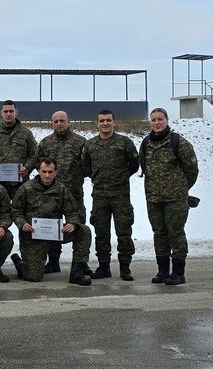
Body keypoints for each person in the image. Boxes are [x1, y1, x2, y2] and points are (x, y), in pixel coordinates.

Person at [10, 158, 93, 286]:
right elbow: (16, 211)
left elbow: (72, 211)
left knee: (83, 230)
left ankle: (77, 271)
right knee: (34, 276)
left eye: (50, 172)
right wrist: (22, 223)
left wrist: (72, 223)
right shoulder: (26, 188)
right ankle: (19, 263)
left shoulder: (61, 189)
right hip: (33, 234)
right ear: (38, 171)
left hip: (55, 233)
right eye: (44, 172)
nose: (47, 175)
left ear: (56, 172)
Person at [140, 108, 198, 285]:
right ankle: (163, 272)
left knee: (176, 233)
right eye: (153, 120)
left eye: (160, 119)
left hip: (175, 199)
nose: (157, 123)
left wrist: (181, 188)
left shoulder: (178, 142)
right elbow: (144, 167)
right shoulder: (146, 143)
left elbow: (192, 170)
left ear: (166, 120)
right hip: (154, 199)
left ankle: (178, 273)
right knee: (159, 234)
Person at [82, 110, 139, 281]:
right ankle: (103, 267)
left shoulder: (124, 142)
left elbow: (134, 164)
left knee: (124, 232)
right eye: (102, 120)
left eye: (108, 120)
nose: (105, 123)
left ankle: (125, 268)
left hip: (121, 195)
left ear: (114, 122)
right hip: (100, 196)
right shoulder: (90, 145)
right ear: (97, 123)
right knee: (101, 233)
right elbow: (86, 167)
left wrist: (120, 177)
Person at [34, 111, 90, 275]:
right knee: (52, 226)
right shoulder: (46, 143)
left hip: (74, 194)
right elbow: (39, 165)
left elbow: (88, 166)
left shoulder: (81, 142)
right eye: (56, 121)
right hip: (51, 195)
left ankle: (80, 263)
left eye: (62, 121)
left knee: (79, 227)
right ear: (52, 123)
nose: (59, 124)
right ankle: (53, 261)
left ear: (69, 121)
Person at [0, 100, 37, 199]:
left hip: (20, 182)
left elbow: (34, 154)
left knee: (20, 207)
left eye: (11, 111)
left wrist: (27, 168)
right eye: (5, 111)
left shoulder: (26, 133)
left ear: (16, 112)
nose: (8, 114)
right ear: (1, 113)